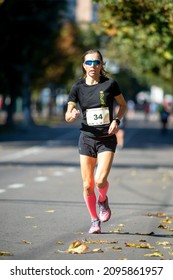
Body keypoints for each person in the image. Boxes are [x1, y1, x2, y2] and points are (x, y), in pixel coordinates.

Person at [65, 49, 127, 234]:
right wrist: (72, 114)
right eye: (89, 63)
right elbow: (68, 114)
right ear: (84, 65)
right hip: (87, 138)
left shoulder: (110, 84)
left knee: (100, 181)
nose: (93, 66)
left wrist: (117, 120)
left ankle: (103, 200)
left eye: (96, 62)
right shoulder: (77, 87)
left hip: (106, 139)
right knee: (87, 184)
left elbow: (123, 105)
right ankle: (94, 220)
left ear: (101, 65)